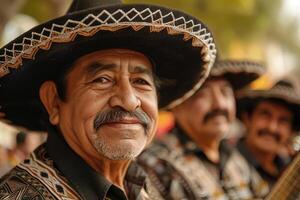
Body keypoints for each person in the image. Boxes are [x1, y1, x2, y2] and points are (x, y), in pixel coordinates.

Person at [0, 0, 216, 199]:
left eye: (141, 81)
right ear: (54, 102)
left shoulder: (141, 185)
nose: (129, 101)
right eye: (102, 79)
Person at [138, 60, 269, 199]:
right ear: (177, 103)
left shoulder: (234, 158)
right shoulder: (155, 164)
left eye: (225, 92)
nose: (220, 104)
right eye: (203, 93)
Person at [236, 79, 300, 187]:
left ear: (291, 132)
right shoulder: (226, 163)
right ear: (247, 119)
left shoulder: (289, 169)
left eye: (283, 121)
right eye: (265, 115)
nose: (272, 128)